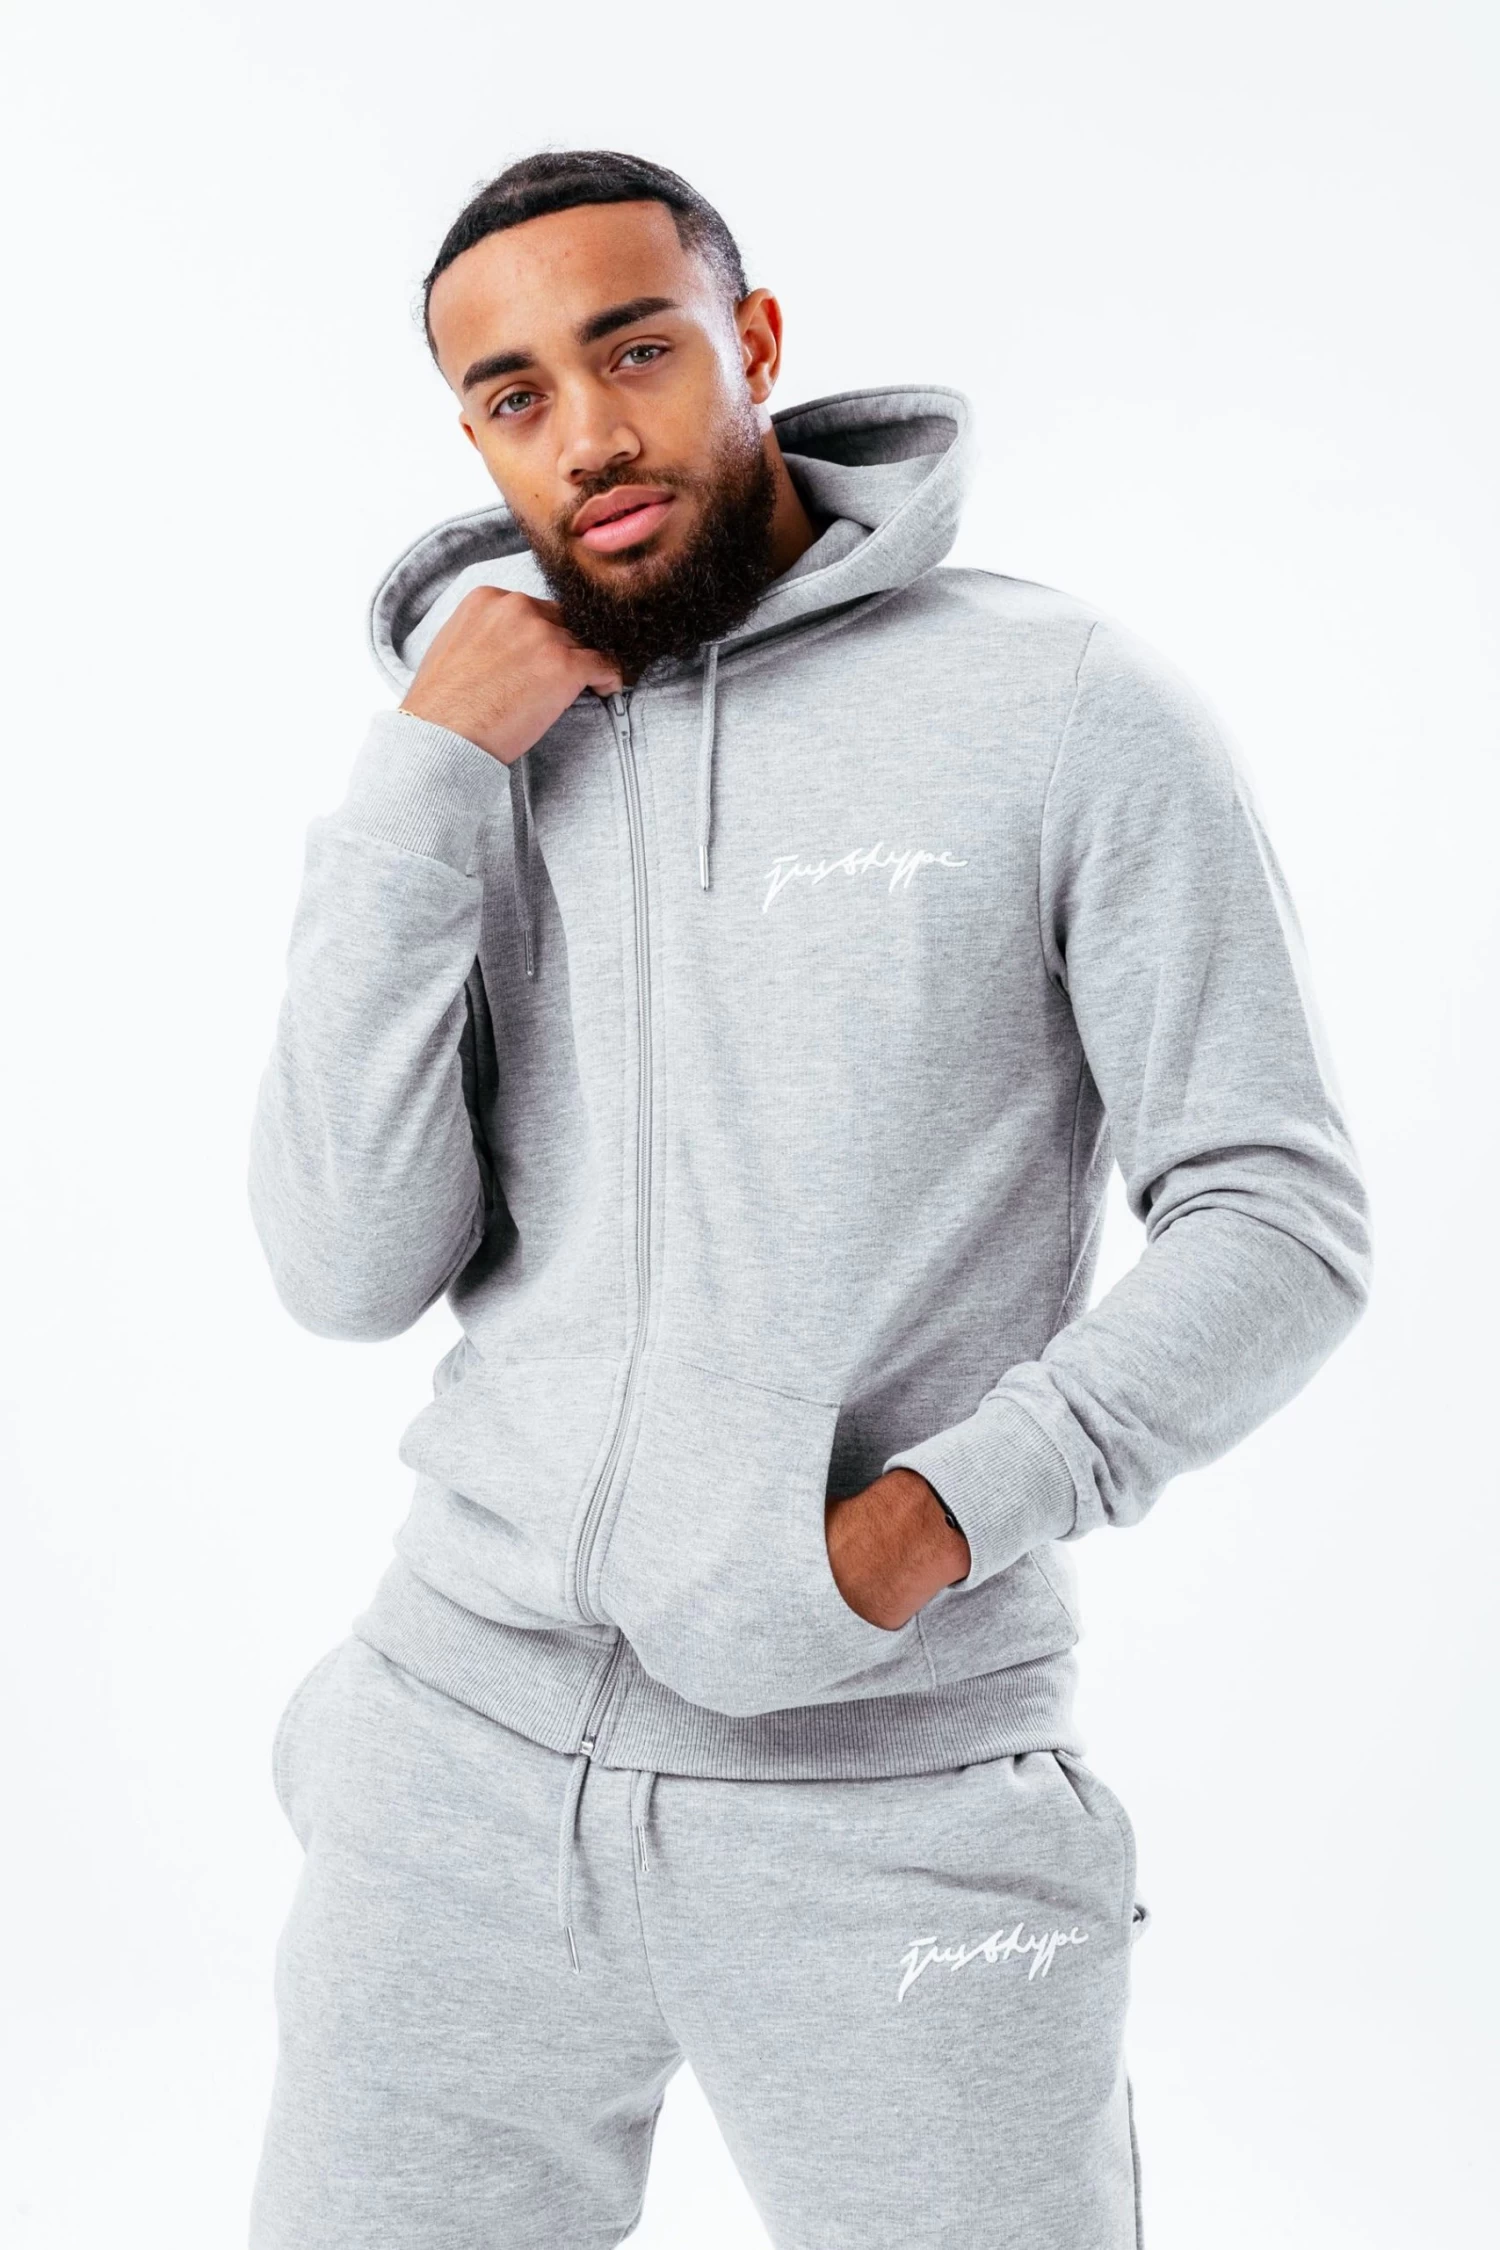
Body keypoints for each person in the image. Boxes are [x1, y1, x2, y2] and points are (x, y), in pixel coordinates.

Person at [245, 149, 1371, 2250]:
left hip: (896, 1796)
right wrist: (419, 784)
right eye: (512, 395)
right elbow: (342, 1264)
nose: (586, 435)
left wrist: (919, 1528)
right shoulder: (477, 746)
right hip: (449, 1766)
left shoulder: (1066, 706)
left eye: (634, 351)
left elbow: (1275, 1214)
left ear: (752, 343)